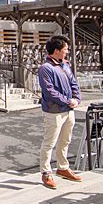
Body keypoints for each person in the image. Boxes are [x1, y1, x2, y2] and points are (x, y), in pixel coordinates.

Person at [38, 35, 82, 189]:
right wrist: (68, 100)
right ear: (56, 51)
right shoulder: (45, 68)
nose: (67, 52)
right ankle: (46, 172)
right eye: (65, 49)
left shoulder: (65, 65)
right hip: (54, 111)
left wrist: (77, 98)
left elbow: (73, 83)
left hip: (68, 110)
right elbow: (49, 91)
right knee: (49, 142)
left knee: (65, 140)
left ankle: (63, 167)